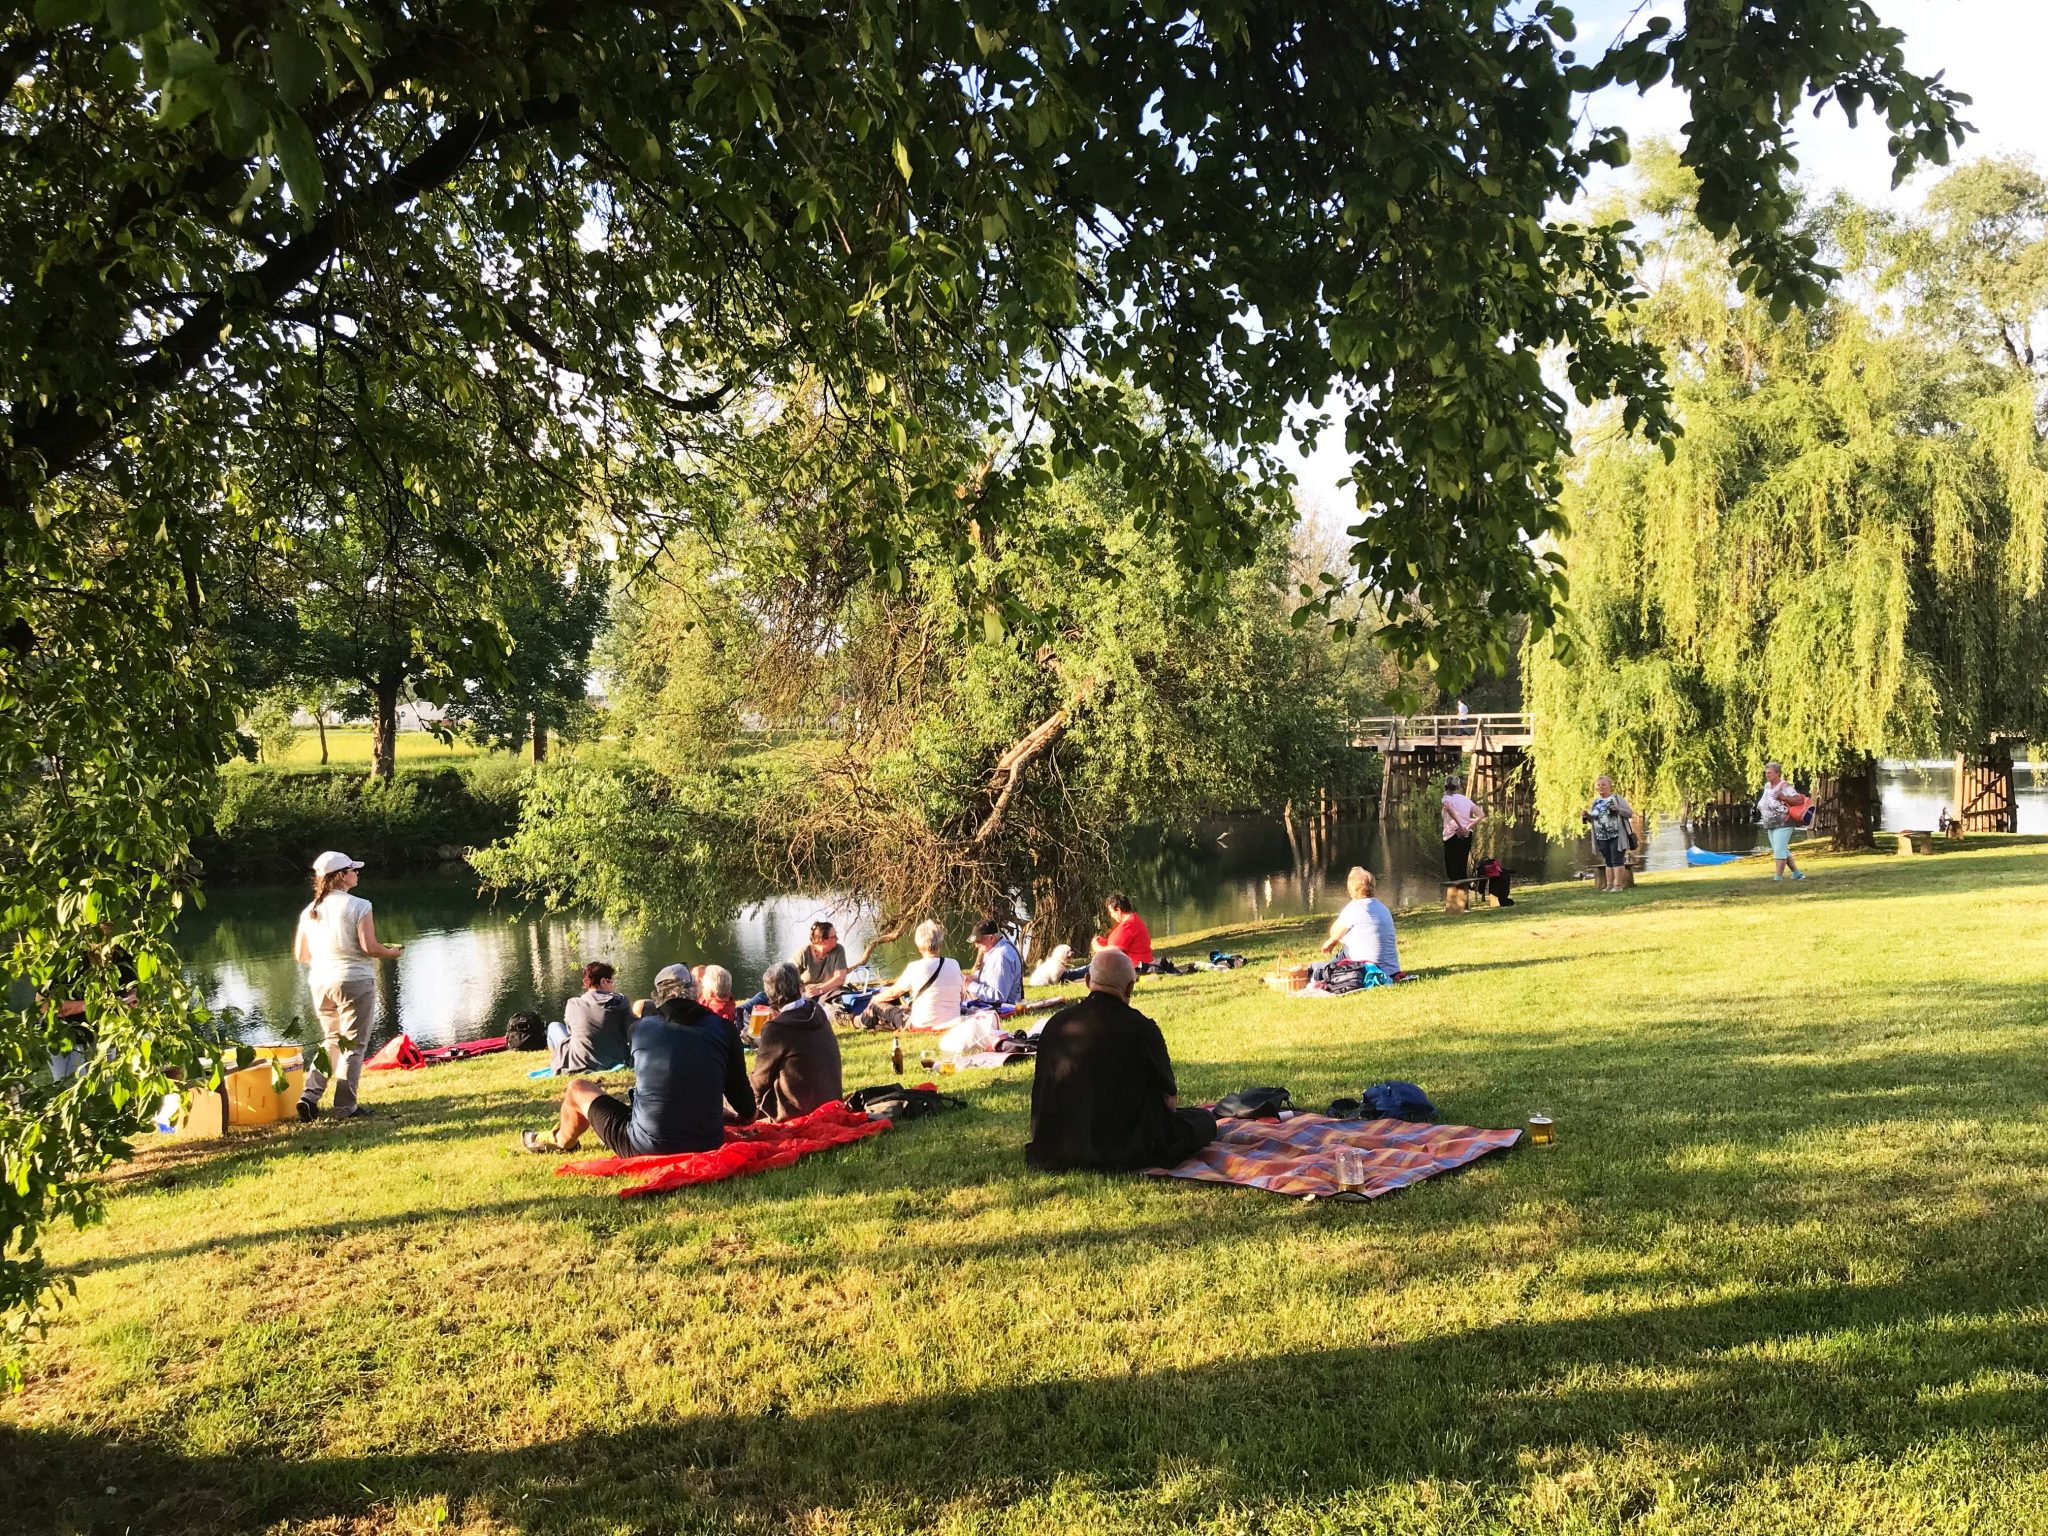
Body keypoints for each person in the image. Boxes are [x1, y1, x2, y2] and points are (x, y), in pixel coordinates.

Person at [1026, 948, 1217, 1172]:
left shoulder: (1056, 1024)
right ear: (1129, 987)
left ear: (1087, 981)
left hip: (1055, 1146)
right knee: (1203, 1120)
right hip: (1122, 1150)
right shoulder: (1140, 1028)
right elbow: (1169, 1100)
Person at [522, 972, 756, 1155]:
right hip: (707, 1142)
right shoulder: (724, 1030)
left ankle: (562, 1141)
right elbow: (746, 1109)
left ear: (658, 998)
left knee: (577, 1089)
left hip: (646, 1144)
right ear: (696, 993)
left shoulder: (641, 1030)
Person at [292, 850, 403, 1122]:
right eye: (352, 869)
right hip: (354, 981)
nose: (357, 873)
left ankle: (309, 1096)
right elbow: (369, 947)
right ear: (341, 876)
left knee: (332, 1040)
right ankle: (345, 1106)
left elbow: (301, 956)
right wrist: (391, 952)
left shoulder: (310, 911)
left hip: (320, 982)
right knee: (354, 1045)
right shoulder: (360, 905)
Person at [749, 962, 844, 1121]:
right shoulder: (816, 1010)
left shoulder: (776, 1029)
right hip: (831, 1100)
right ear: (800, 986)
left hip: (797, 1112)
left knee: (730, 1094)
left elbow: (760, 1082)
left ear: (771, 997)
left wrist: (748, 1109)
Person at [867, 920, 975, 1043]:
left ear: (918, 946)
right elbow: (960, 995)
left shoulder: (915, 967)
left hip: (920, 1024)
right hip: (951, 1021)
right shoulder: (954, 964)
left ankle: (862, 1021)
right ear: (940, 943)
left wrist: (875, 998)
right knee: (905, 1006)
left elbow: (894, 993)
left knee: (876, 1005)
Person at [550, 960, 635, 1072]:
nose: (613, 986)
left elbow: (572, 1032)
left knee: (553, 1027)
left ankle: (557, 1062)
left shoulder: (573, 1004)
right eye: (611, 982)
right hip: (618, 1058)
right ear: (603, 981)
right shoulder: (620, 1002)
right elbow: (631, 1030)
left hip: (581, 1061)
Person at [1318, 866, 1400, 974]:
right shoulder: (1383, 908)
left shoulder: (1354, 908)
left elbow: (1334, 933)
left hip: (1363, 970)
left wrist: (1332, 941)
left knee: (1321, 969)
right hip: (1391, 970)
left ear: (1351, 889)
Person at [1581, 775, 1637, 892]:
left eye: (1603, 785)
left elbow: (1629, 813)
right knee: (1608, 861)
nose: (1601, 787)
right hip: (1601, 836)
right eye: (1599, 785)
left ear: (1609, 786)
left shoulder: (1616, 798)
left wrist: (1618, 809)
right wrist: (1587, 816)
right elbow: (1595, 819)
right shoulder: (1596, 801)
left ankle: (1618, 886)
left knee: (1617, 860)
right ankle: (1609, 885)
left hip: (1617, 835)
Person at [1758, 760, 1807, 881]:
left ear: (1777, 773)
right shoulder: (1767, 786)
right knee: (1781, 849)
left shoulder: (1785, 786)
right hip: (1770, 823)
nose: (1767, 775)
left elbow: (1798, 800)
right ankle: (1797, 873)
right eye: (1766, 773)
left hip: (1783, 822)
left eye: (1769, 773)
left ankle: (1778, 877)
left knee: (1779, 851)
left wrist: (1783, 797)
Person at [963, 917, 1024, 1009]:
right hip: (995, 1003)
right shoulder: (997, 948)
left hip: (1004, 1007)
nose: (976, 945)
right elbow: (992, 975)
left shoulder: (1001, 957)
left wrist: (970, 985)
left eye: (978, 941)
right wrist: (974, 977)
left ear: (991, 938)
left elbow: (998, 996)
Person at [1441, 774, 1485, 882]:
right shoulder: (1466, 799)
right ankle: (1463, 894)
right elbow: (1481, 815)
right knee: (1462, 866)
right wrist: (1467, 827)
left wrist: (1460, 826)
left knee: (1452, 868)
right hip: (1466, 834)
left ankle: (1455, 896)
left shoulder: (1446, 798)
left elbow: (1448, 807)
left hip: (1452, 834)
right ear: (1458, 786)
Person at [1090, 893, 1154, 966]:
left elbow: (1113, 951)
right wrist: (1104, 942)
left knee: (1081, 973)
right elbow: (1121, 944)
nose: (1111, 916)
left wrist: (1097, 947)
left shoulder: (1128, 925)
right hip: (1132, 965)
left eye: (1111, 912)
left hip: (1131, 967)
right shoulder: (1133, 920)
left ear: (1118, 910)